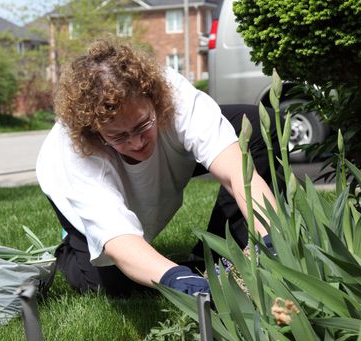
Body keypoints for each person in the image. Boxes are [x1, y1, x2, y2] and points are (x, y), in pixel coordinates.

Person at [36, 38, 279, 297]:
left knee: (255, 127)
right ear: (96, 132)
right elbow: (118, 239)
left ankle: (224, 252)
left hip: (169, 154)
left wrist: (271, 236)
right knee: (112, 285)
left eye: (142, 125)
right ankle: (71, 245)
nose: (137, 142)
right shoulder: (75, 155)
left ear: (155, 100)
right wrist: (175, 279)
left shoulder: (174, 94)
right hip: (77, 189)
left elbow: (234, 171)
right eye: (119, 135)